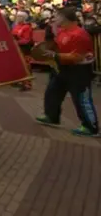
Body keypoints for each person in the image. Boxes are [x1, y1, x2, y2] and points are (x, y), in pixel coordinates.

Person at [36, 7, 99, 136]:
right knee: (52, 92)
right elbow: (56, 46)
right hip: (61, 68)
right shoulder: (62, 31)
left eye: (57, 16)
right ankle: (51, 117)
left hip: (78, 70)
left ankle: (90, 127)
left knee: (81, 98)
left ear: (65, 19)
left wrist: (55, 56)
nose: (54, 19)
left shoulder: (80, 34)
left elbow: (77, 57)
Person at [11, 11, 33, 91]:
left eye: (20, 16)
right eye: (18, 16)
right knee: (17, 65)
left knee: (26, 66)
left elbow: (26, 40)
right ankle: (17, 81)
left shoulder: (27, 27)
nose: (18, 17)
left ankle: (27, 84)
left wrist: (16, 41)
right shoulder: (16, 26)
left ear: (24, 18)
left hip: (24, 48)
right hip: (17, 47)